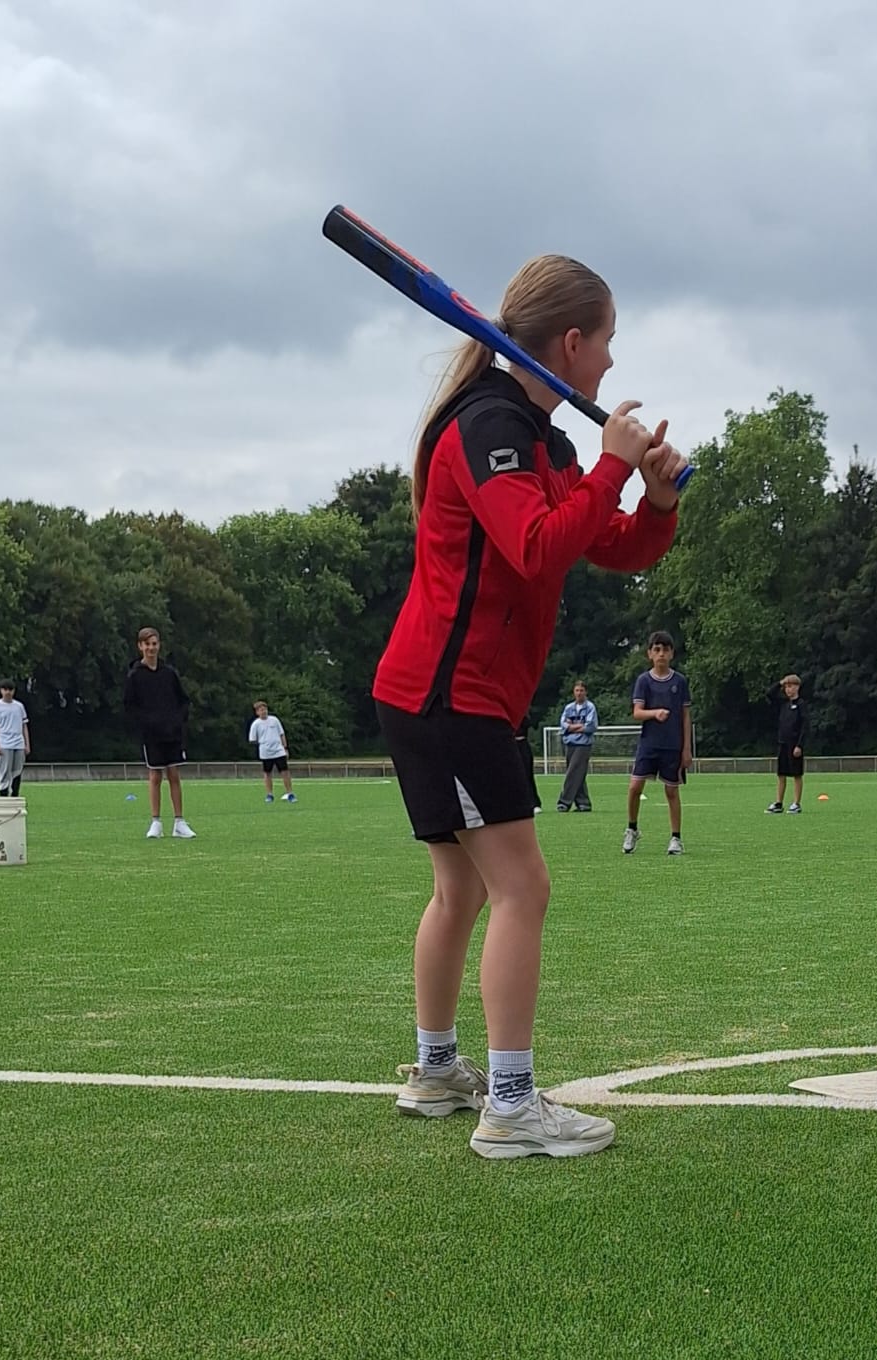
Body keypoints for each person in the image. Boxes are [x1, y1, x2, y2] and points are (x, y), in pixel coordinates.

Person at [372, 250, 687, 1160]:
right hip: (452, 697)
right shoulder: (489, 426)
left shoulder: (540, 441)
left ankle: (437, 1071)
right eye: (608, 342)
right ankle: (510, 1105)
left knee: (462, 887)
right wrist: (611, 466)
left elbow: (607, 545)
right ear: (573, 342)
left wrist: (651, 500)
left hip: (442, 694)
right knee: (523, 887)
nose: (613, 362)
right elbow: (537, 545)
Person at [123, 626, 195, 839]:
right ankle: (156, 822)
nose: (151, 648)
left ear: (159, 645)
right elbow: (130, 706)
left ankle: (179, 822)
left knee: (174, 774)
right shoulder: (135, 676)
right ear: (140, 646)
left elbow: (183, 700)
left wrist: (178, 721)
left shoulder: (169, 673)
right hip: (152, 734)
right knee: (155, 775)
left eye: (154, 644)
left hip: (172, 732)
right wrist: (146, 724)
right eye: (147, 644)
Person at [624, 631, 690, 856]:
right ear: (650, 654)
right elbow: (637, 712)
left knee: (671, 790)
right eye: (657, 650)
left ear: (672, 653)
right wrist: (655, 713)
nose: (661, 654)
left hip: (673, 745)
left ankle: (676, 838)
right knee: (635, 787)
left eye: (665, 650)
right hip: (649, 744)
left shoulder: (679, 681)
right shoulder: (644, 681)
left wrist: (687, 749)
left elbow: (685, 716)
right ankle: (632, 829)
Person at [554, 681, 598, 812]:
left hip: (583, 744)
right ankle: (583, 803)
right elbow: (563, 725)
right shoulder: (569, 708)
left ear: (586, 692)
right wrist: (578, 727)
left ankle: (564, 802)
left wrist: (571, 727)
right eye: (577, 690)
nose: (579, 693)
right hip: (570, 743)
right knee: (578, 773)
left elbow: (590, 726)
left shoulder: (590, 707)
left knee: (573, 772)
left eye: (581, 690)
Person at [768, 672, 808, 814]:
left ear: (797, 687)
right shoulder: (783, 704)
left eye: (790, 686)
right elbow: (769, 694)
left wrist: (799, 745)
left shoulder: (801, 705)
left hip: (794, 745)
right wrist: (780, 682)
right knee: (781, 774)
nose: (788, 689)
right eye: (786, 687)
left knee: (796, 774)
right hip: (783, 743)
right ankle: (779, 803)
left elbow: (805, 727)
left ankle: (796, 803)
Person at [0, 680, 30, 797]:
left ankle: (15, 794)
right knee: (4, 771)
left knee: (17, 771)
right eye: (5, 689)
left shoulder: (19, 706)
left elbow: (24, 726)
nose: (8, 692)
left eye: (10, 690)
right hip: (4, 744)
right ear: (1, 690)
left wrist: (27, 744)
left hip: (19, 743)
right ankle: (3, 795)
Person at [248, 700, 295, 802]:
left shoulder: (274, 720)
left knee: (285, 772)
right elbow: (252, 739)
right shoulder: (256, 724)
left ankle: (290, 794)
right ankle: (269, 795)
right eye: (261, 710)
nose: (264, 711)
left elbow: (282, 734)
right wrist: (264, 743)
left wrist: (285, 748)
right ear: (257, 712)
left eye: (265, 709)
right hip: (266, 753)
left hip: (279, 751)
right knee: (267, 773)